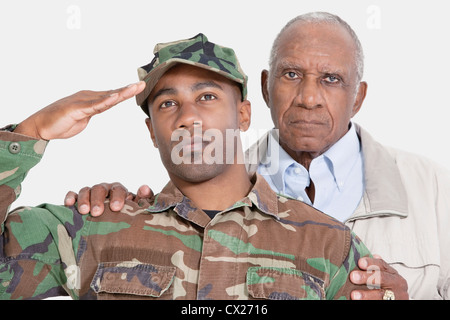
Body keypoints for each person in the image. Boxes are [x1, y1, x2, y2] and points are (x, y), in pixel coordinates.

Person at [69, 12, 450, 300]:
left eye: (331, 79)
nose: (309, 97)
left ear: (359, 96)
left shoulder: (434, 189)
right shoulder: (209, 179)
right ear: (266, 88)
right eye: (291, 75)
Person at [0, 33, 372, 300]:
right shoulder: (88, 228)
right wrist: (31, 133)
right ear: (151, 130)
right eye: (167, 104)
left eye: (206, 97)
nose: (188, 117)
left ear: (243, 115)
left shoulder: (328, 243)